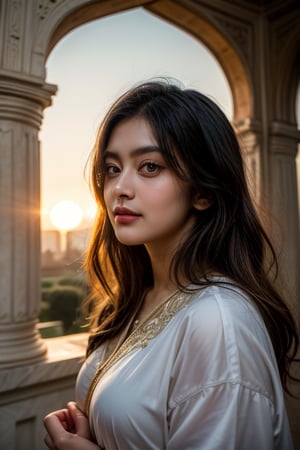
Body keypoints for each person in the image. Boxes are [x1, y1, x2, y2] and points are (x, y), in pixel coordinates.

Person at [44, 79, 299, 450]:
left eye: (149, 166)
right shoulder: (139, 298)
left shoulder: (218, 323)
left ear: (203, 192)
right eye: (112, 168)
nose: (119, 188)